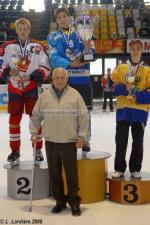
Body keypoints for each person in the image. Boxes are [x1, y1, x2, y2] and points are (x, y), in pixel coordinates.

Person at [29, 67, 89, 216]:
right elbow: (36, 115)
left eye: (63, 77)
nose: (60, 80)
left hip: (69, 141)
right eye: (57, 77)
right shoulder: (44, 96)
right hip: (51, 141)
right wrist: (33, 132)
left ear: (67, 79)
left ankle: (74, 202)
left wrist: (81, 136)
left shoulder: (75, 95)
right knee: (54, 175)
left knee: (71, 175)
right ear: (52, 79)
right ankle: (60, 202)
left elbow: (83, 117)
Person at [0, 18, 51, 164]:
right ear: (16, 30)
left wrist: (32, 76)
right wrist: (8, 72)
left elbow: (46, 67)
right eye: (20, 28)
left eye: (25, 29)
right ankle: (15, 150)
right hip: (15, 87)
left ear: (29, 30)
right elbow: (1, 65)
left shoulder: (38, 46)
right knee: (14, 120)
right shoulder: (7, 47)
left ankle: (38, 149)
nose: (22, 31)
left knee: (35, 119)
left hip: (31, 87)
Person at [47, 7, 95, 156]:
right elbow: (53, 59)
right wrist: (72, 64)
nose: (62, 19)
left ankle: (86, 139)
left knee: (85, 112)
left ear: (69, 17)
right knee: (66, 113)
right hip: (64, 81)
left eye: (64, 16)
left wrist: (88, 49)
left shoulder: (82, 32)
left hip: (83, 79)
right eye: (59, 17)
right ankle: (68, 140)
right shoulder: (53, 37)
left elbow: (92, 55)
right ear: (57, 20)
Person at [111, 40, 150, 179]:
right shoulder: (120, 68)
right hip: (123, 109)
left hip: (140, 112)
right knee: (121, 140)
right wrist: (124, 89)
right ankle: (119, 168)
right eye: (132, 48)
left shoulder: (147, 70)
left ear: (141, 51)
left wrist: (136, 95)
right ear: (129, 50)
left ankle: (135, 168)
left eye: (137, 48)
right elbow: (112, 86)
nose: (135, 51)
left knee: (138, 142)